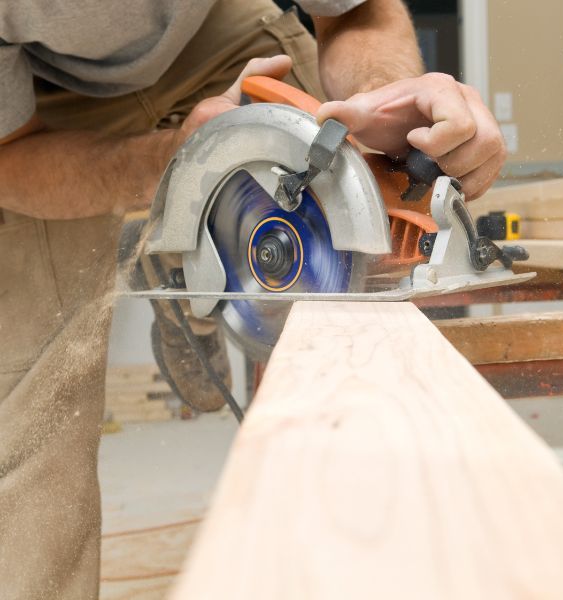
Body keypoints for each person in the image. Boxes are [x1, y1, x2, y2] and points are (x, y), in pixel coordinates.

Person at [0, 1, 506, 598]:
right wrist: (184, 165)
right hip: (38, 100)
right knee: (32, 425)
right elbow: (8, 158)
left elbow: (356, 13)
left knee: (350, 212)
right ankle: (191, 240)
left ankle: (196, 252)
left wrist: (387, 101)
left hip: (214, 34)